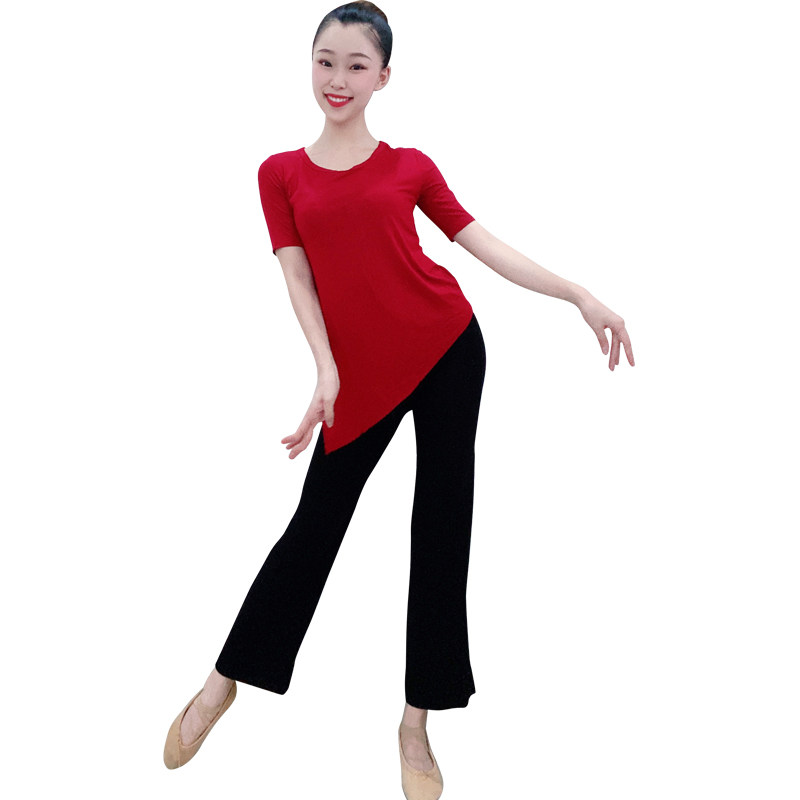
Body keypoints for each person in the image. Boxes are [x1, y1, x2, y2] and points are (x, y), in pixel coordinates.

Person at [163, 2, 634, 797]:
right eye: (325, 60)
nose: (337, 78)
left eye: (356, 65)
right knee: (314, 525)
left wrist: (578, 295)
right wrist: (325, 369)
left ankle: (416, 722)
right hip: (358, 374)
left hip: (446, 348)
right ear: (309, 65)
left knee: (443, 527)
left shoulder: (410, 166)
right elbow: (297, 276)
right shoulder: (279, 173)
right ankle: (223, 683)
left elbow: (481, 242)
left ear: (384, 77)